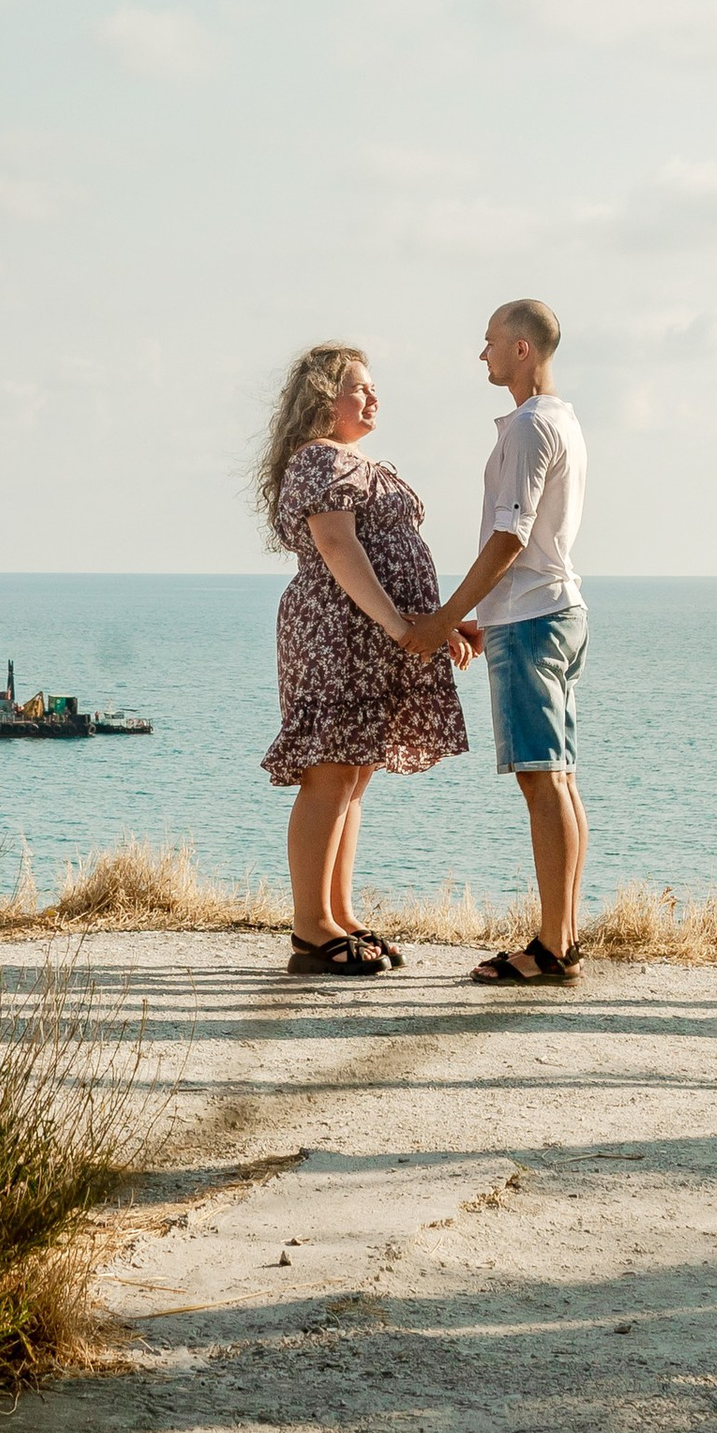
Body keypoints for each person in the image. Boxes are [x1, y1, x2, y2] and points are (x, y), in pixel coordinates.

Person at [257, 340, 469, 980]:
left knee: (353, 775)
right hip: (337, 632)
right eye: (360, 388)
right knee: (329, 772)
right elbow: (336, 545)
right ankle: (310, 928)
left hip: (369, 635)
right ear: (325, 398)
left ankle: (337, 913)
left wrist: (442, 622)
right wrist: (399, 623)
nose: (373, 398)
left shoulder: (346, 460)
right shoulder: (320, 461)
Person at [402, 299, 587, 986]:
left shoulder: (531, 427)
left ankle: (549, 949)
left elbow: (509, 536)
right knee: (560, 779)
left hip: (533, 620)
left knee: (544, 784)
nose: (480, 355)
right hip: (552, 611)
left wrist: (447, 615)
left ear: (520, 349)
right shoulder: (559, 420)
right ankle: (561, 939)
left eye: (488, 343)